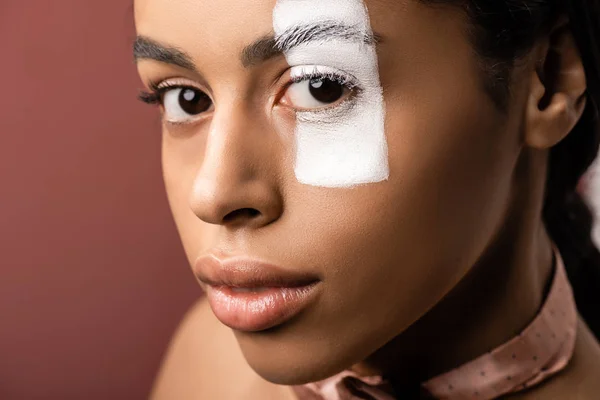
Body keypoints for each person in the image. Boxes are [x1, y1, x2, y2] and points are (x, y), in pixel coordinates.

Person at [133, 0, 600, 398]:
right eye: (185, 100)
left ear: (550, 78)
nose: (212, 194)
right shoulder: (208, 367)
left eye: (321, 87)